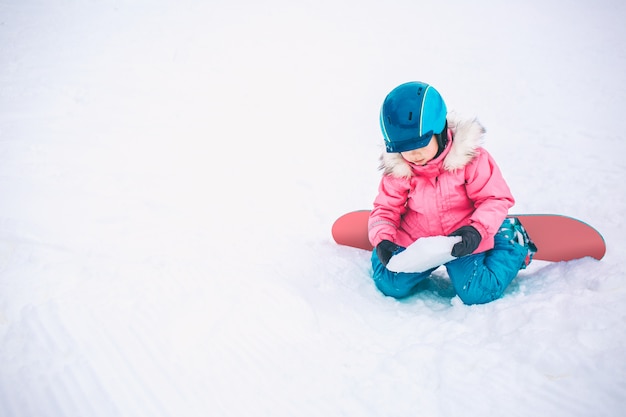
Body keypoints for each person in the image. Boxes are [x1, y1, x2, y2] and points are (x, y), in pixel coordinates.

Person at [368, 81, 537, 305]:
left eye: (420, 144)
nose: (414, 154)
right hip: (418, 240)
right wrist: (383, 240)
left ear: (439, 131)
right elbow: (386, 208)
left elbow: (495, 198)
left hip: (463, 239)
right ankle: (388, 256)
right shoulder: (400, 170)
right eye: (404, 149)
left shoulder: (470, 160)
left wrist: (476, 231)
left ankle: (510, 239)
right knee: (390, 284)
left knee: (476, 292)